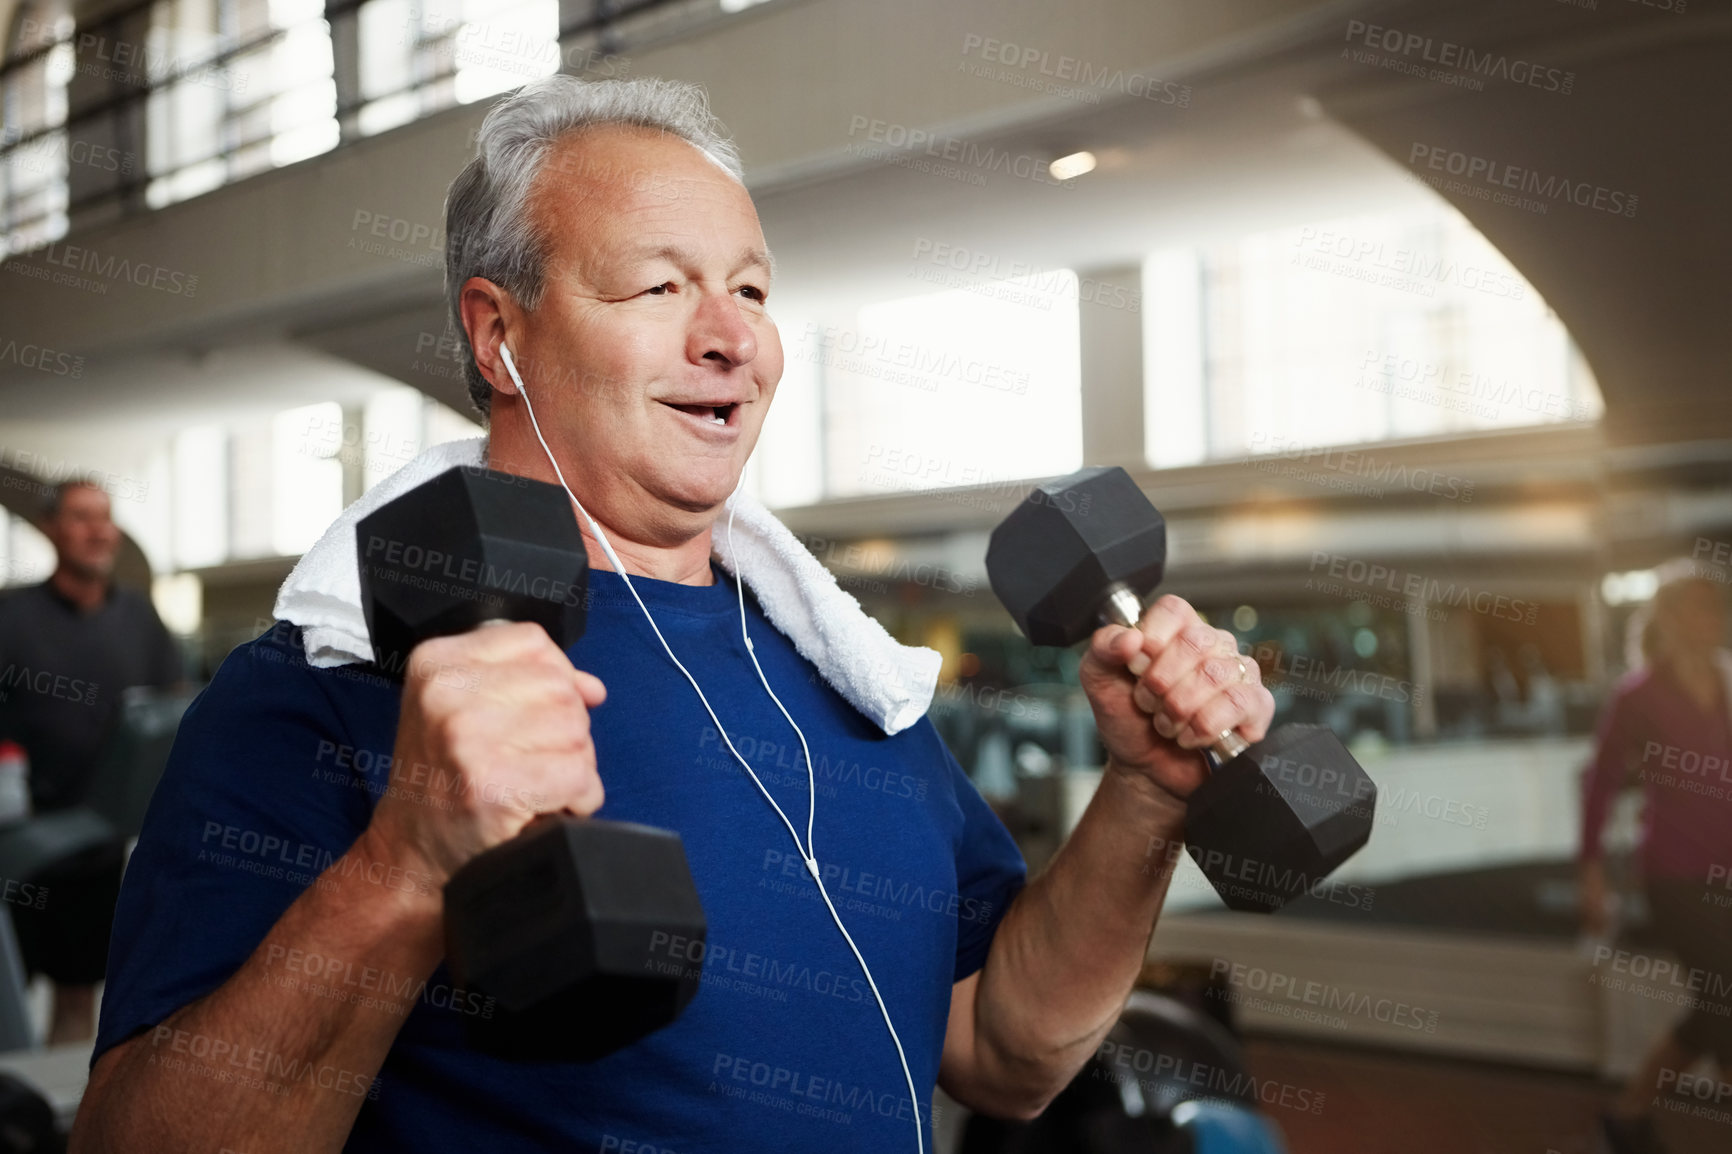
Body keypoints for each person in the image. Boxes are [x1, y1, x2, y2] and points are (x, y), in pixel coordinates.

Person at [70, 76, 1274, 1153]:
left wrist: (1145, 795)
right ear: (499, 335)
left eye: (751, 287)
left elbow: (1007, 1047)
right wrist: (404, 866)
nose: (731, 335)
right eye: (660, 284)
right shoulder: (331, 681)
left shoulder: (847, 675)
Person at [0, 479, 181, 1044]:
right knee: (10, 991)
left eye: (105, 517)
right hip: (20, 841)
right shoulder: (13, 617)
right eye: (81, 517)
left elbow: (174, 706)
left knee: (79, 992)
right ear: (52, 528)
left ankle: (55, 1121)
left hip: (100, 847)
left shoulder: (139, 615)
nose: (98, 530)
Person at [1579, 559, 1732, 1154]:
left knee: (1719, 1003)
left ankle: (1628, 1113)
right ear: (1672, 620)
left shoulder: (1723, 685)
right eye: (1700, 607)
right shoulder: (1637, 694)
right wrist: (1592, 875)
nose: (1713, 618)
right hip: (1673, 876)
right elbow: (1601, 783)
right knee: (1723, 995)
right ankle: (1629, 1112)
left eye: (1716, 608)